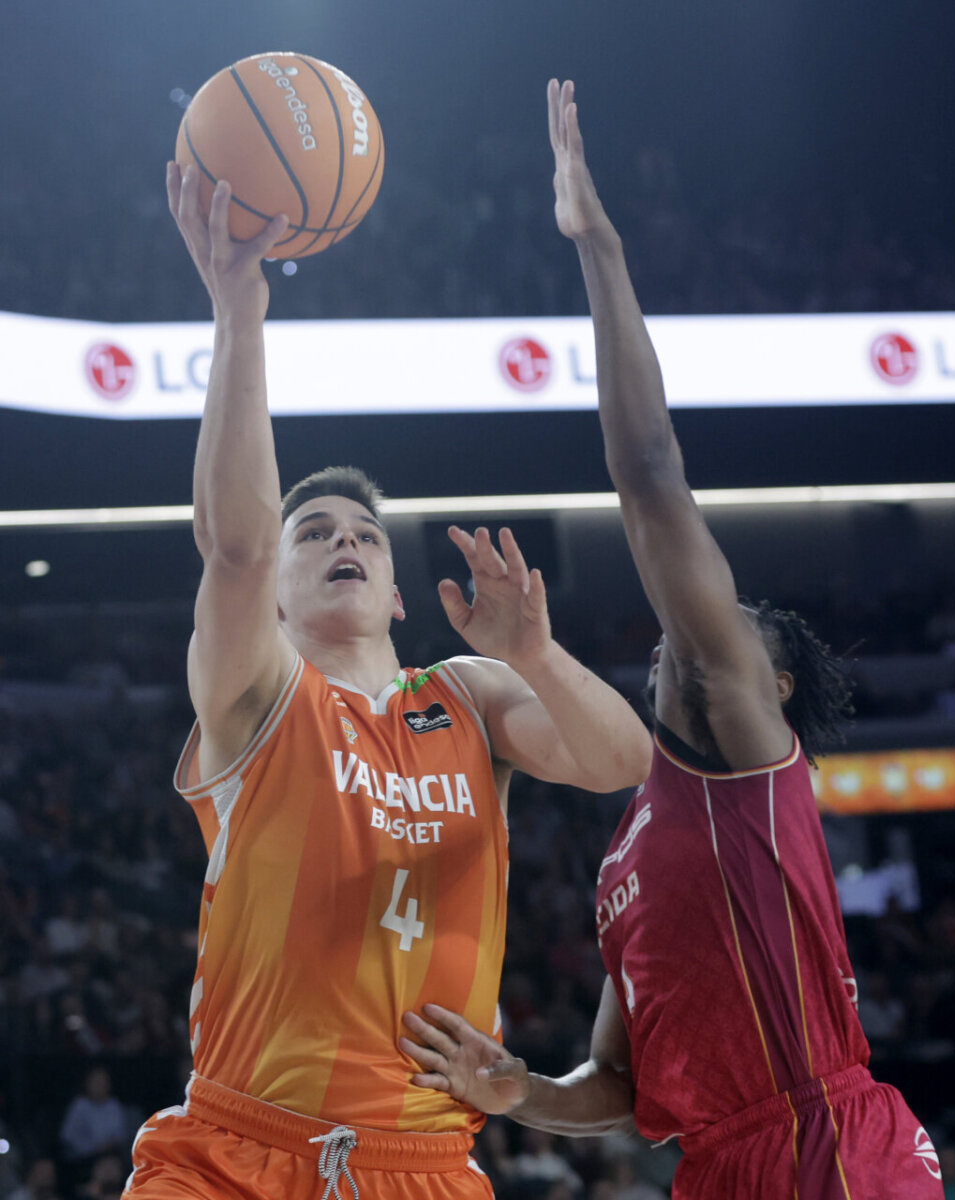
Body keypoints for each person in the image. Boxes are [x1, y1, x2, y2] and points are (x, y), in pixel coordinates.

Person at [399, 79, 944, 1199]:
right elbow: (616, 1078)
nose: (689, 633)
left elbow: (647, 473)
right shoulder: (621, 856)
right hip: (714, 1168)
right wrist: (520, 1091)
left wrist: (597, 249)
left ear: (772, 683)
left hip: (826, 1144)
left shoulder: (743, 754)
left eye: (724, 624)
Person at [121, 162, 651, 1200]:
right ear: (274, 594)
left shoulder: (467, 693)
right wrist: (238, 315)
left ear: (398, 596)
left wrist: (533, 651)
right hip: (234, 1153)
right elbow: (232, 544)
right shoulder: (255, 697)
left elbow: (624, 761)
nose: (344, 541)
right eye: (313, 533)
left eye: (364, 534)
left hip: (422, 1162)